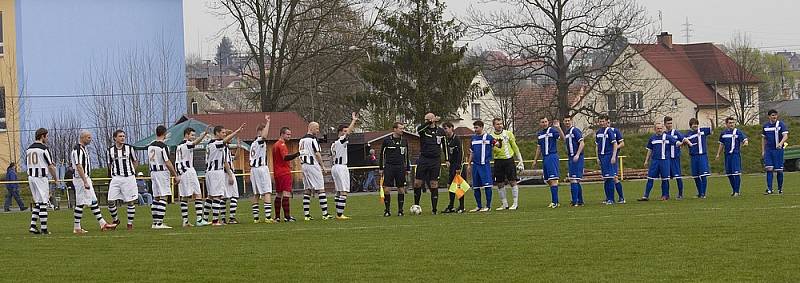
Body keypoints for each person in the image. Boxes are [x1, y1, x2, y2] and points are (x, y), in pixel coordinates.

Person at [71, 130, 117, 234]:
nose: (90, 139)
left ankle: (102, 223)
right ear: (82, 138)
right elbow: (79, 166)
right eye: (88, 137)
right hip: (81, 179)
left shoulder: (84, 149)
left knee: (93, 201)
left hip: (85, 178)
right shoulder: (78, 150)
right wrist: (84, 181)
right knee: (80, 203)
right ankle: (77, 227)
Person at [204, 124, 245, 226]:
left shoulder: (210, 144)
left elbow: (231, 158)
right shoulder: (217, 143)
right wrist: (237, 131)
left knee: (212, 196)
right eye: (223, 133)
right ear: (217, 133)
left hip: (210, 172)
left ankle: (204, 219)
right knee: (218, 196)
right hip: (216, 172)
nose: (224, 135)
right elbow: (225, 162)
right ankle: (216, 220)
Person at [26, 128, 60, 234]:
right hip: (40, 177)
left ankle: (32, 227)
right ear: (42, 136)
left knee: (38, 202)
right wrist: (56, 179)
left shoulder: (29, 149)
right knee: (44, 203)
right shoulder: (44, 149)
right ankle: (44, 229)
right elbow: (51, 166)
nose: (47, 138)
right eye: (47, 136)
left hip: (31, 177)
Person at [147, 125, 181, 229]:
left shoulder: (150, 145)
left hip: (153, 172)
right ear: (165, 133)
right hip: (161, 172)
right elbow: (167, 162)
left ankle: (155, 222)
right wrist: (175, 175)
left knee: (156, 197)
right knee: (163, 196)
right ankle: (159, 223)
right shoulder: (163, 147)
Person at [413, 113, 448, 214]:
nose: (426, 121)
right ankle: (416, 205)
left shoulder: (441, 131)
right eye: (425, 120)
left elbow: (444, 145)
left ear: (433, 119)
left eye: (427, 119)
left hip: (435, 160)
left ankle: (434, 209)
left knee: (433, 184)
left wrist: (447, 159)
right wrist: (429, 122)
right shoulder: (424, 130)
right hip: (424, 159)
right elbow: (419, 130)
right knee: (417, 183)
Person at [175, 126, 210, 227]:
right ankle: (199, 219)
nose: (194, 137)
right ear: (186, 135)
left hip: (182, 172)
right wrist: (203, 134)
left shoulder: (179, 146)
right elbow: (194, 143)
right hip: (188, 171)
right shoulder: (186, 144)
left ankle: (185, 221)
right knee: (198, 194)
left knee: (185, 197)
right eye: (192, 135)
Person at [107, 129, 140, 230]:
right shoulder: (110, 150)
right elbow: (109, 164)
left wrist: (132, 171)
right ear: (115, 138)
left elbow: (135, 161)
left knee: (130, 202)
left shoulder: (129, 148)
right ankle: (116, 220)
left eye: (123, 136)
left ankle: (129, 224)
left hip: (129, 178)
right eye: (120, 136)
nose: (122, 138)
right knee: (110, 201)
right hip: (116, 178)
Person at [489, 118, 524, 211]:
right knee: (499, 183)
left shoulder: (508, 133)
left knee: (512, 181)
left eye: (501, 123)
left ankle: (515, 203)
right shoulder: (490, 136)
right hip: (498, 161)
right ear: (494, 125)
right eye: (497, 124)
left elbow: (515, 147)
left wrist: (520, 160)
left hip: (509, 160)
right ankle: (504, 204)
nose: (499, 125)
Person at [299, 122, 331, 221]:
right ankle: (325, 214)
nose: (318, 131)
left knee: (307, 190)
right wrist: (323, 166)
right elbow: (317, 153)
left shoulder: (301, 140)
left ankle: (307, 215)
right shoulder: (312, 139)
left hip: (304, 165)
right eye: (316, 128)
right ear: (310, 128)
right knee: (321, 188)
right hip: (312, 165)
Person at [639, 123, 677, 201]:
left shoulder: (667, 137)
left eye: (660, 128)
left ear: (662, 129)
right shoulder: (652, 138)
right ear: (655, 129)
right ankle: (645, 196)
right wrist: (646, 160)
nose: (659, 130)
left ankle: (665, 195)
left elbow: (676, 143)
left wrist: (683, 143)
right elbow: (650, 150)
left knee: (665, 179)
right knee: (650, 178)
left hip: (664, 161)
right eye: (658, 128)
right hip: (655, 161)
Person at [380, 122, 411, 217]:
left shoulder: (404, 141)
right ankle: (387, 210)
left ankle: (400, 210)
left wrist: (408, 168)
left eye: (403, 128)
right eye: (400, 128)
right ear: (395, 129)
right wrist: (381, 168)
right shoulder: (387, 141)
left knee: (401, 189)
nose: (402, 130)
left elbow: (406, 155)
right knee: (387, 189)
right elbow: (382, 155)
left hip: (400, 167)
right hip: (389, 167)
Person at [331, 113, 359, 220]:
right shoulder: (341, 141)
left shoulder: (334, 144)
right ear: (340, 132)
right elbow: (348, 133)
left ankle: (338, 212)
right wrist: (353, 121)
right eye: (344, 131)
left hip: (335, 167)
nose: (346, 133)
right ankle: (339, 214)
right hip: (341, 167)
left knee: (338, 191)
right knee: (344, 191)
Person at [533, 117, 564, 208]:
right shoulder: (540, 134)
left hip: (552, 156)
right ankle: (555, 201)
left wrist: (558, 127)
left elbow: (562, 138)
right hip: (545, 158)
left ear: (548, 122)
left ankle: (555, 202)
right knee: (548, 181)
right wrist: (535, 160)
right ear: (540, 123)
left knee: (553, 179)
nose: (545, 123)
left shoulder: (552, 131)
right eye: (542, 122)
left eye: (546, 122)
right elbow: (539, 148)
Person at [250, 115, 276, 223]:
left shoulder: (253, 143)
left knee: (256, 193)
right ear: (260, 131)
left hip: (253, 170)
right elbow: (264, 136)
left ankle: (256, 218)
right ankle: (268, 217)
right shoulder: (259, 141)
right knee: (267, 192)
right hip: (261, 168)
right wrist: (268, 122)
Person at [467, 120, 498, 212]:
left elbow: (497, 144)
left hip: (485, 165)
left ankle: (488, 206)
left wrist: (498, 143)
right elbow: (471, 153)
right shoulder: (473, 139)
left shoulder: (488, 137)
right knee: (476, 186)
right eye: (474, 128)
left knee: (487, 186)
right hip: (475, 166)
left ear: (481, 127)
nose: (475, 129)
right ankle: (479, 206)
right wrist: (469, 164)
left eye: (477, 127)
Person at [715, 117, 749, 197]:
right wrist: (718, 154)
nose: (731, 124)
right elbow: (721, 144)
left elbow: (744, 139)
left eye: (733, 123)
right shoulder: (723, 133)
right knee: (729, 174)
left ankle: (737, 191)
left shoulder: (737, 132)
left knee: (736, 173)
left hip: (735, 155)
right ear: (726, 124)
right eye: (730, 123)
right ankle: (734, 190)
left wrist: (745, 142)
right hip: (727, 156)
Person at [273, 126, 300, 222]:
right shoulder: (281, 145)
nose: (289, 136)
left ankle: (277, 217)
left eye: (290, 134)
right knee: (286, 193)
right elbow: (285, 157)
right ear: (282, 134)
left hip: (277, 173)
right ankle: (287, 217)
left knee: (279, 194)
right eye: (288, 134)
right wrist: (297, 154)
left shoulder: (275, 145)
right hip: (284, 172)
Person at [762, 109, 788, 195]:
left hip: (778, 151)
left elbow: (785, 136)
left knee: (779, 170)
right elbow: (764, 139)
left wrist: (780, 144)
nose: (774, 117)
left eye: (775, 115)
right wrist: (763, 150)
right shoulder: (765, 126)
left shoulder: (781, 124)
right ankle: (769, 189)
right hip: (769, 150)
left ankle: (780, 189)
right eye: (772, 115)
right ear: (769, 116)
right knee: (769, 169)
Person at [595, 115, 619, 205]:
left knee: (610, 178)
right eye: (600, 121)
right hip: (602, 157)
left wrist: (613, 156)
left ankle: (611, 199)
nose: (601, 123)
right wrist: (597, 157)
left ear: (607, 121)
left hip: (608, 156)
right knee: (605, 178)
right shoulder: (598, 132)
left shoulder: (609, 131)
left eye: (603, 121)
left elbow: (615, 144)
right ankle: (607, 198)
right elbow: (597, 145)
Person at [685, 118, 712, 198]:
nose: (695, 125)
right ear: (691, 126)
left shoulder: (702, 131)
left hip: (702, 156)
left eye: (696, 124)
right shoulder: (688, 134)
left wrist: (712, 121)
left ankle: (703, 193)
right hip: (693, 157)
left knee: (703, 175)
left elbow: (712, 130)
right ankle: (700, 193)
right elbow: (683, 140)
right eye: (693, 124)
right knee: (696, 176)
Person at [442, 122, 465, 214]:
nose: (445, 130)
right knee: (450, 186)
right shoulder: (446, 140)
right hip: (451, 165)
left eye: (446, 128)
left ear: (452, 128)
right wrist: (447, 160)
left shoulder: (457, 139)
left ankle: (462, 206)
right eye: (444, 128)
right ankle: (451, 206)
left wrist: (458, 166)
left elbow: (461, 153)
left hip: (457, 165)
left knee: (458, 186)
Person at [664, 116, 690, 200]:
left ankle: (680, 194)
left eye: (671, 123)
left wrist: (688, 143)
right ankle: (666, 195)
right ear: (665, 124)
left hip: (675, 158)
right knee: (665, 177)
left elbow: (683, 139)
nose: (670, 125)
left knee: (678, 176)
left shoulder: (676, 133)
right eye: (668, 123)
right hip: (666, 159)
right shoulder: (663, 134)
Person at [220, 129, 242, 224]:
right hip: (227, 173)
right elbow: (225, 162)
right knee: (234, 195)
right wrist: (230, 175)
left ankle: (224, 218)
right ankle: (231, 218)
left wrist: (238, 147)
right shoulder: (223, 147)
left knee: (224, 197)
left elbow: (235, 157)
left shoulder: (226, 148)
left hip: (224, 173)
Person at [563, 117, 585, 206]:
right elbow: (565, 141)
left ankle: (575, 201)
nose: (567, 122)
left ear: (571, 121)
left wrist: (577, 154)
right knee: (575, 179)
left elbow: (582, 143)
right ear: (563, 122)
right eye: (565, 121)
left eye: (569, 120)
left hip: (576, 157)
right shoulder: (567, 133)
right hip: (571, 157)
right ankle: (580, 201)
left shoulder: (575, 131)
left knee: (573, 179)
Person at [608, 119, 626, 204]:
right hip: (605, 158)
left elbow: (622, 143)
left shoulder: (615, 131)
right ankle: (609, 198)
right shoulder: (601, 132)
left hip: (613, 157)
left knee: (614, 178)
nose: (606, 124)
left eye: (608, 122)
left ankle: (621, 197)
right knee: (607, 178)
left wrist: (615, 148)